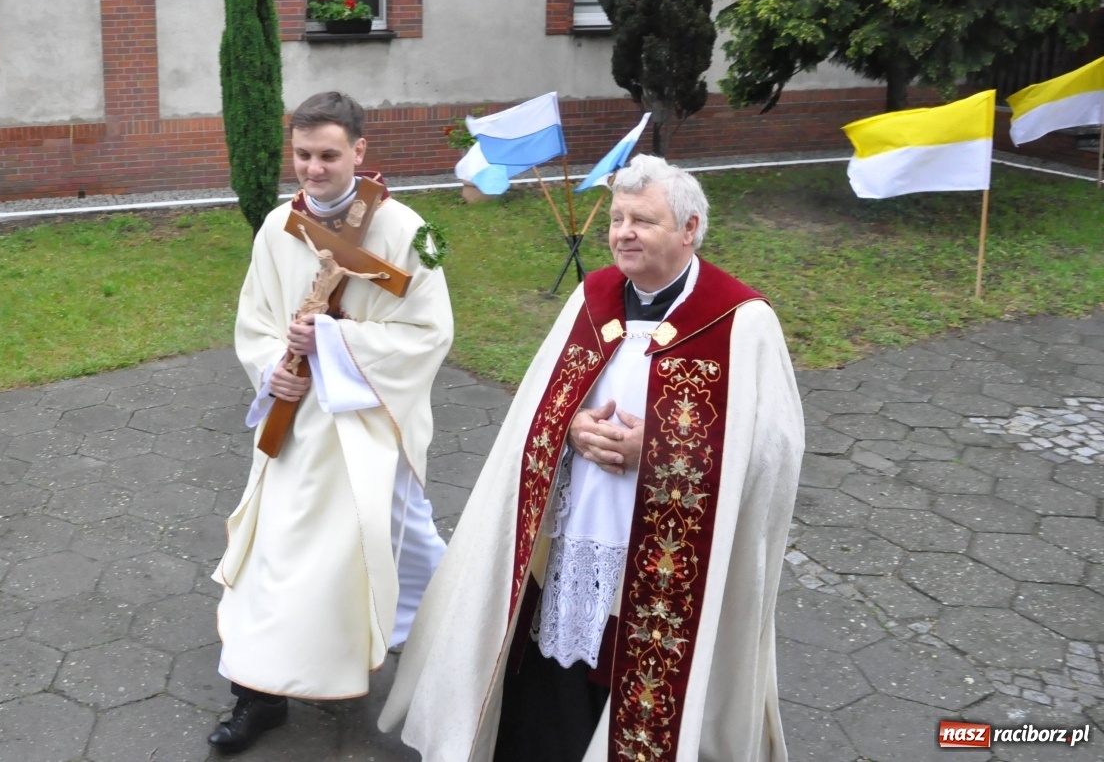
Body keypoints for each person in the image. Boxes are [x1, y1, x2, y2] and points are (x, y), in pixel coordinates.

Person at [380, 155, 803, 762]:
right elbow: (540, 406)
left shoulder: (740, 321)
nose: (624, 233)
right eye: (617, 219)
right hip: (577, 529)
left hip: (662, 552)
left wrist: (658, 448)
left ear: (689, 229)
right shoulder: (593, 296)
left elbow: (775, 454)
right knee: (552, 676)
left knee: (634, 669)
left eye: (643, 221)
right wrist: (571, 426)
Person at [209, 91, 454, 753]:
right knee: (275, 550)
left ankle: (455, 662)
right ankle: (259, 693)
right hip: (295, 424)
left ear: (358, 150)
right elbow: (257, 319)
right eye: (302, 155)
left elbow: (430, 333)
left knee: (391, 545)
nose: (313, 169)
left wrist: (334, 343)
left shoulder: (407, 231)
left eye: (327, 155)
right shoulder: (276, 227)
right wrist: (275, 370)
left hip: (367, 423)